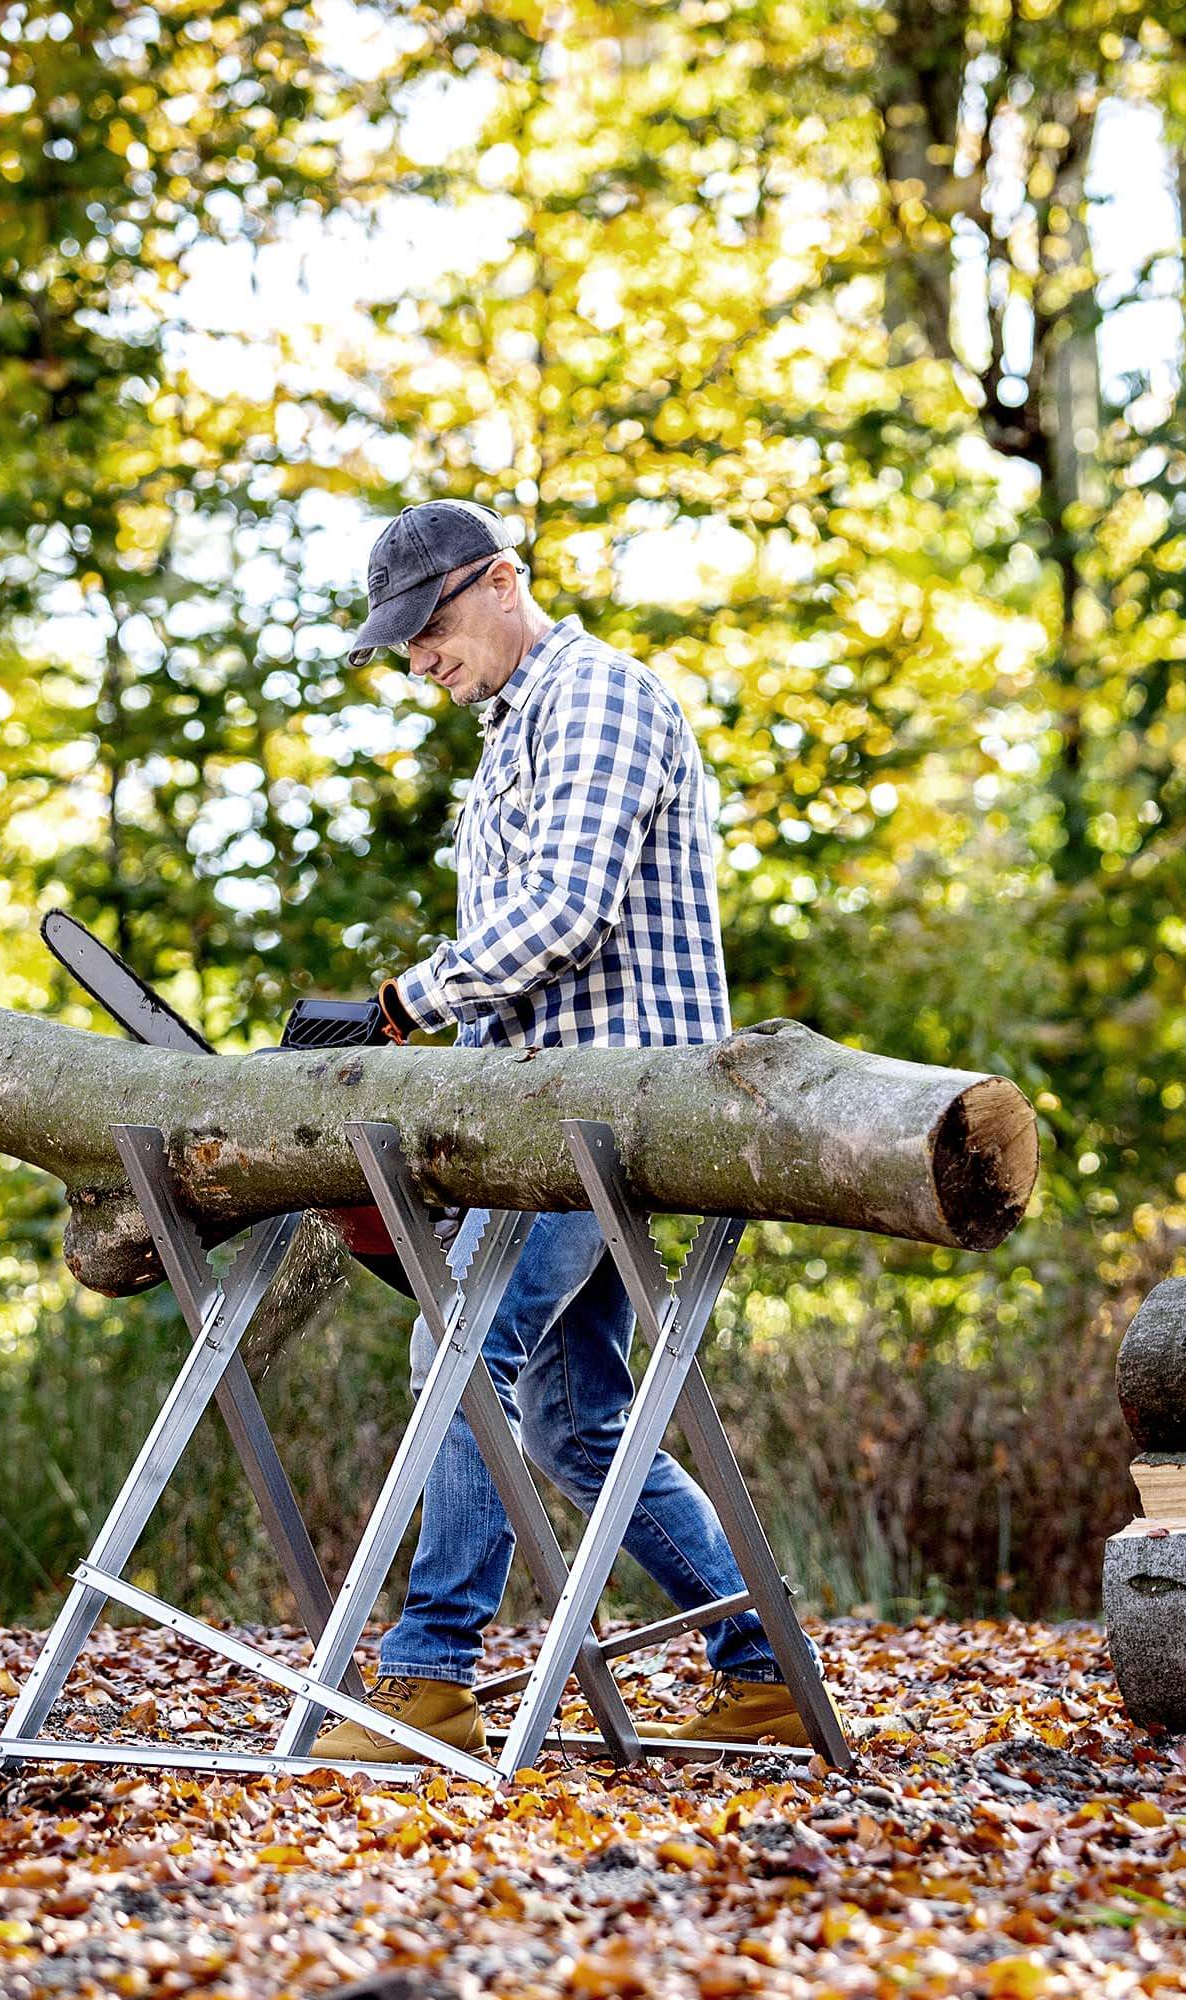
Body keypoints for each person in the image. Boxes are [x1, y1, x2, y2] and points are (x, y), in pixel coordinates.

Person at [310, 497, 824, 1762]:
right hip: (539, 1112)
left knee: (463, 1351)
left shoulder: (595, 696)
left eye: (428, 626)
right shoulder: (509, 731)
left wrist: (394, 1005)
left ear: (500, 583)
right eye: (401, 643)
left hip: (605, 1105)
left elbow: (564, 912)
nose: (417, 658)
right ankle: (759, 1672)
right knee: (574, 1423)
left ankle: (429, 1674)